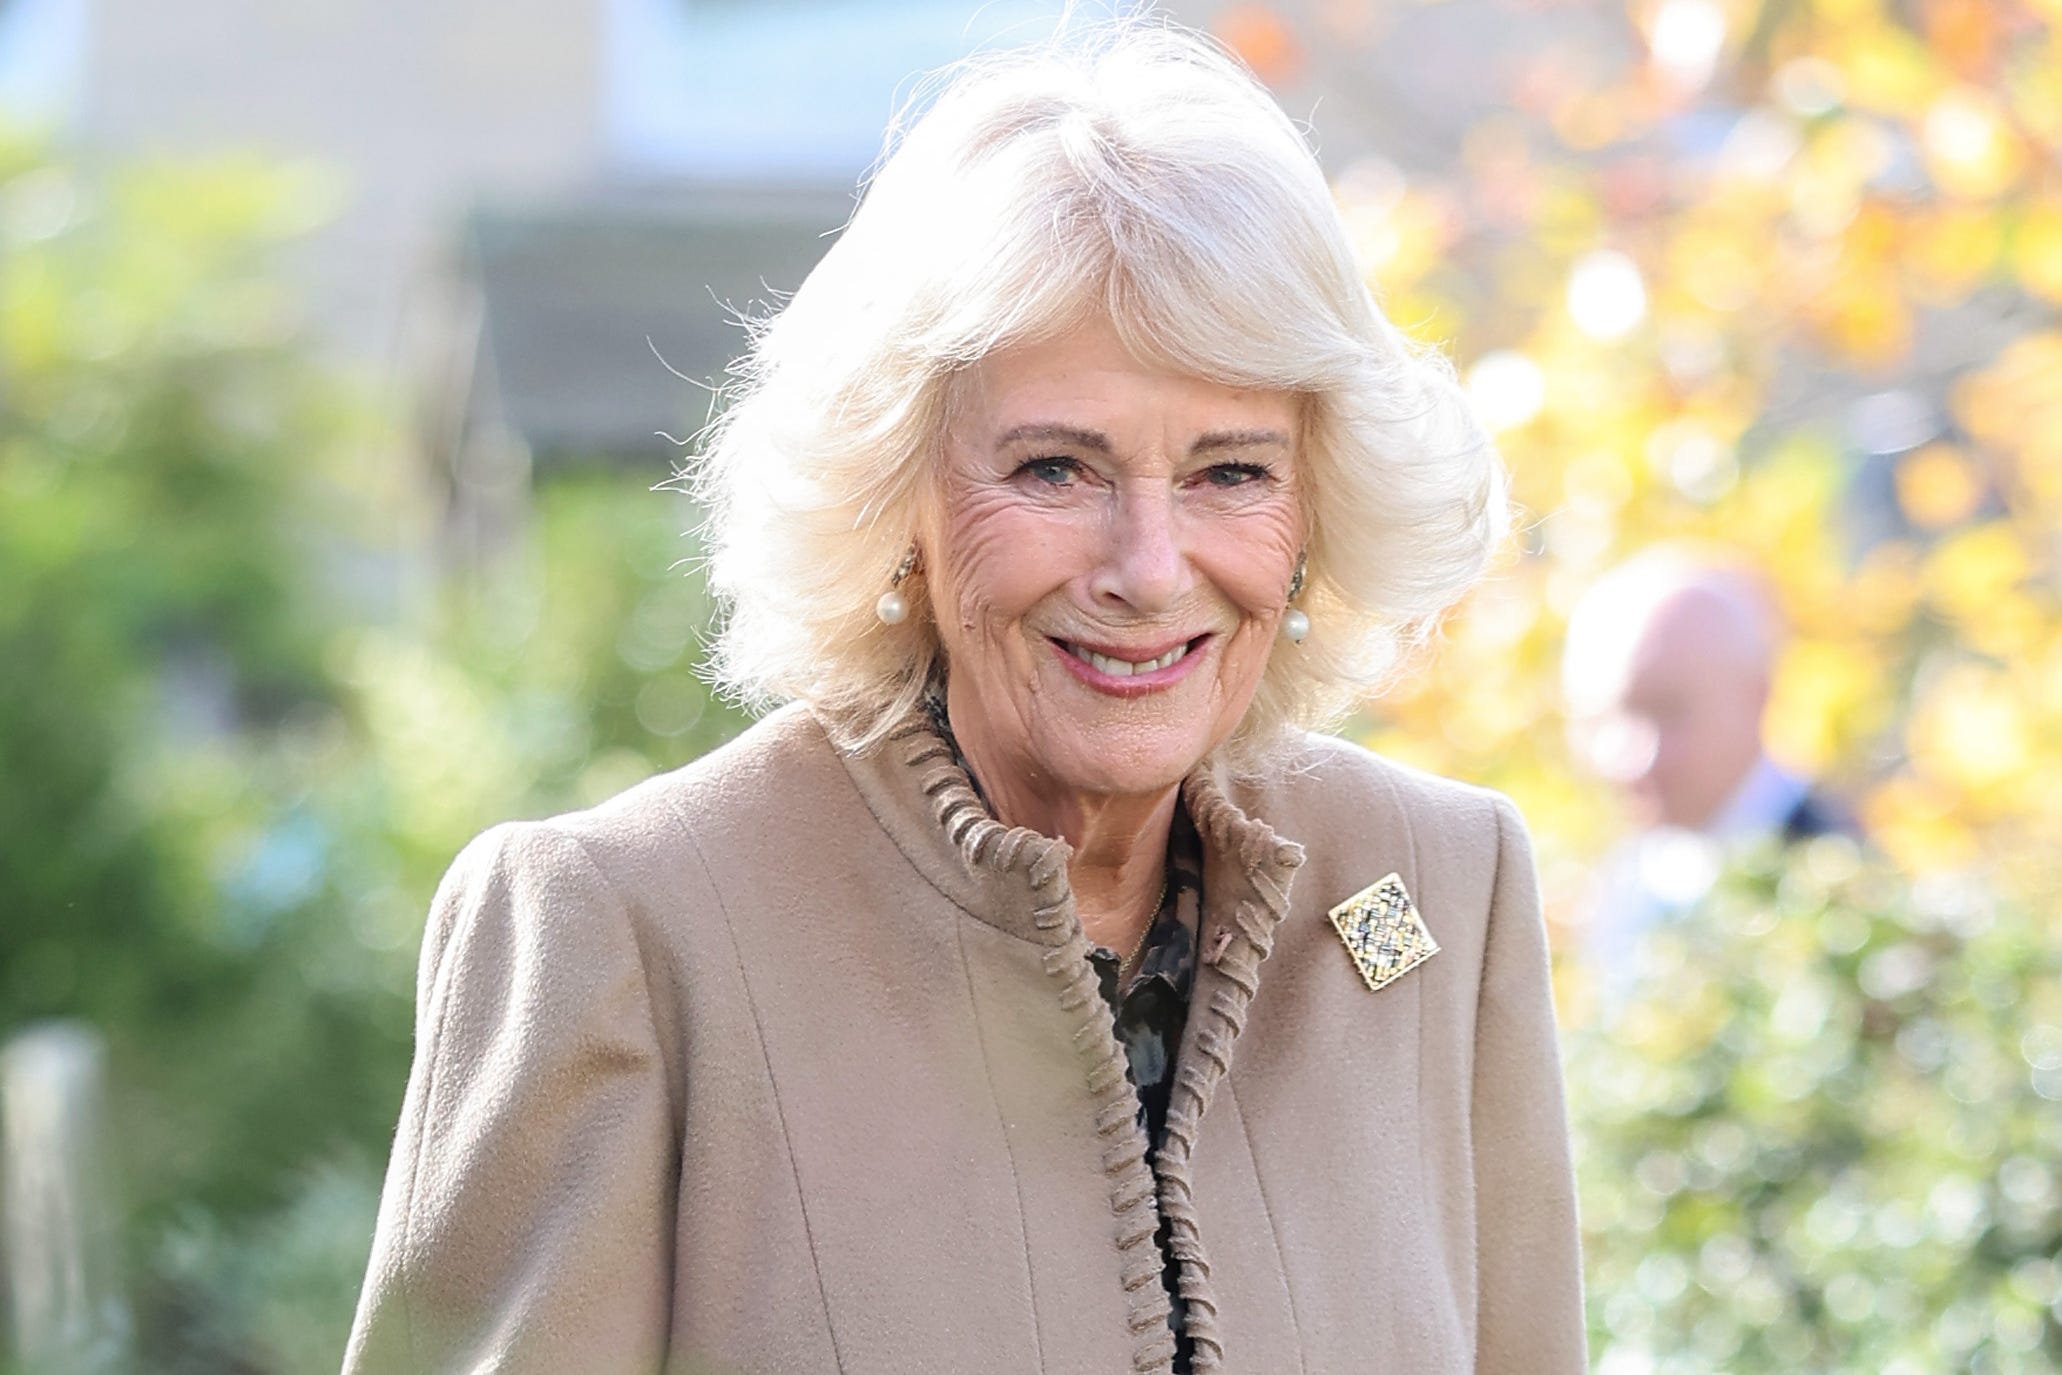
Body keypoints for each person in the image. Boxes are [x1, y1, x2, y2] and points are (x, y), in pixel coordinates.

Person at [344, 20, 1585, 1375]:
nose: (1148, 567)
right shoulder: (627, 926)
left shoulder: (1435, 888)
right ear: (900, 499)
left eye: (1230, 472)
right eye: (1055, 468)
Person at [1563, 546, 1852, 979]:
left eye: (1667, 711)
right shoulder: (1624, 880)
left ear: (1757, 697)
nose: (1630, 758)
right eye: (1602, 720)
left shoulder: (1845, 896)